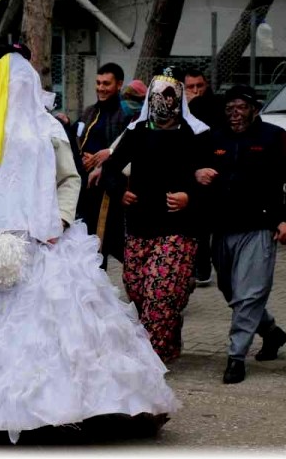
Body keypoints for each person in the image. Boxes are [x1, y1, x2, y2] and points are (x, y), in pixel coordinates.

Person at [0, 51, 178, 443]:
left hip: (48, 242)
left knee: (67, 325)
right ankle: (1, 412)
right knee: (0, 333)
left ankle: (80, 409)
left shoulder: (48, 127)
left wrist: (58, 220)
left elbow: (69, 178)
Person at [195, 85, 286, 384]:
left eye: (241, 107)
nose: (235, 114)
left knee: (249, 293)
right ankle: (271, 332)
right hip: (222, 228)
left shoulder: (274, 136)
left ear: (254, 109)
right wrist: (197, 173)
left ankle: (236, 356)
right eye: (229, 109)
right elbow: (195, 168)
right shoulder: (214, 138)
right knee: (231, 290)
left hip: (259, 228)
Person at [102, 71, 208, 362]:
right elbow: (110, 168)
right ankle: (169, 335)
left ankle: (150, 360)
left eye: (169, 98)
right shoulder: (137, 132)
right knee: (137, 289)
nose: (163, 103)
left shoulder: (195, 135)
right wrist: (120, 191)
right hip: (139, 225)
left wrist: (189, 196)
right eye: (158, 97)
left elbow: (211, 180)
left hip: (178, 228)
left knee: (160, 293)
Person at [75, 63, 133, 250]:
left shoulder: (126, 114)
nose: (101, 88)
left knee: (115, 245)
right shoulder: (89, 112)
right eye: (98, 83)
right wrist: (82, 159)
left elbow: (130, 147)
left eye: (106, 83)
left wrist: (107, 158)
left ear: (119, 84)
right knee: (90, 248)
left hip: (112, 191)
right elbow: (77, 139)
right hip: (87, 190)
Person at [182, 67, 220, 286]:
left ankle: (204, 267)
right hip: (190, 171)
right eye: (191, 87)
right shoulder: (179, 108)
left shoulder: (213, 107)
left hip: (212, 169)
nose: (196, 91)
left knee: (204, 223)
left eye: (200, 86)